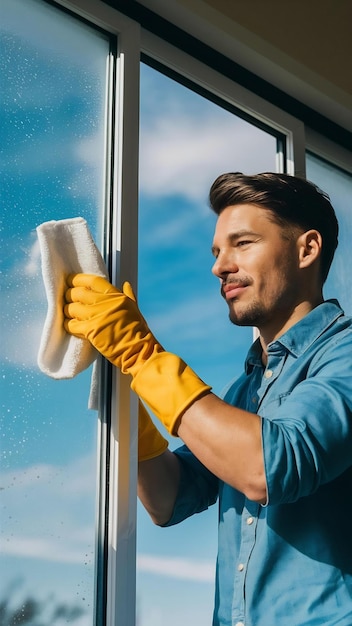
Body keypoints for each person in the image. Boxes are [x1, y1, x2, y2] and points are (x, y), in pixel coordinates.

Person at [64, 172, 352, 626]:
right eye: (217, 252)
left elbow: (265, 467)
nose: (219, 266)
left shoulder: (345, 355)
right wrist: (126, 385)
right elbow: (168, 497)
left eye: (243, 243)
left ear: (307, 249)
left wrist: (142, 356)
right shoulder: (246, 390)